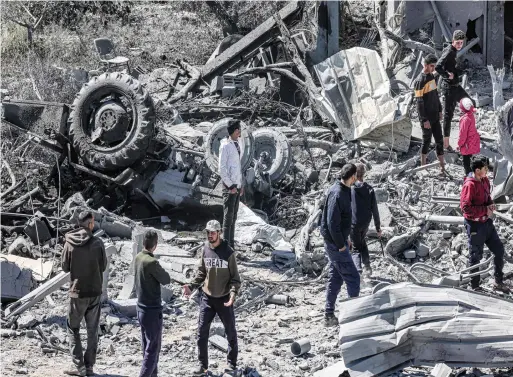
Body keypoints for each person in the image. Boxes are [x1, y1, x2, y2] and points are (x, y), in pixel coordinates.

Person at [183, 220, 241, 376]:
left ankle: (232, 364)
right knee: (202, 332)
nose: (210, 235)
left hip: (224, 299)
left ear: (219, 232)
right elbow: (202, 272)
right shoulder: (205, 249)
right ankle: (203, 366)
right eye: (208, 232)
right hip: (207, 297)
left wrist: (233, 296)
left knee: (230, 331)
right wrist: (191, 285)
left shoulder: (228, 252)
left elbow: (235, 279)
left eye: (213, 232)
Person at [62, 211, 106, 377]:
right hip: (94, 291)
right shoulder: (98, 243)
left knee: (73, 328)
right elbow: (103, 266)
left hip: (77, 292)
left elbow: (65, 267)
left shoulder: (69, 243)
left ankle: (79, 366)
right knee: (92, 330)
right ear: (90, 224)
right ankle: (89, 367)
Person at [460, 155, 509, 293]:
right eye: (485, 168)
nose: (487, 171)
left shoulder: (485, 180)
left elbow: (487, 197)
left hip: (487, 224)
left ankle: (498, 281)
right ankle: (475, 286)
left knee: (499, 250)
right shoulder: (469, 185)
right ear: (477, 170)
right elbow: (466, 208)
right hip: (475, 226)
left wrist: (490, 204)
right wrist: (484, 210)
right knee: (475, 257)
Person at [319, 163, 360, 327]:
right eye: (355, 176)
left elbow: (343, 221)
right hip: (335, 245)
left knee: (335, 278)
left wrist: (346, 239)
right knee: (354, 279)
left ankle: (329, 315)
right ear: (351, 177)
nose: (356, 179)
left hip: (339, 242)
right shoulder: (337, 194)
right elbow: (331, 223)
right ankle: (353, 318)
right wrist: (340, 245)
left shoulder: (344, 190)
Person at [134, 230, 171, 377]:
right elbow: (166, 279)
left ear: (143, 242)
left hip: (140, 308)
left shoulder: (138, 257)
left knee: (147, 347)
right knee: (153, 349)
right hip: (152, 311)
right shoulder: (152, 262)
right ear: (155, 245)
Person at [435, 29, 475, 150]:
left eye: (461, 43)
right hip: (448, 88)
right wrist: (447, 75)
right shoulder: (448, 51)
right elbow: (438, 66)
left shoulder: (453, 51)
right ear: (453, 41)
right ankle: (446, 143)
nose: (459, 45)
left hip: (456, 86)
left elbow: (450, 66)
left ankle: (467, 134)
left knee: (471, 104)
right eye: (457, 42)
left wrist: (458, 71)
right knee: (448, 115)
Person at [413, 53, 445, 171]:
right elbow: (419, 103)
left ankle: (442, 166)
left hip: (435, 115)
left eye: (434, 66)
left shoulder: (431, 76)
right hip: (427, 118)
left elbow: (436, 95)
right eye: (431, 66)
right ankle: (422, 166)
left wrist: (440, 110)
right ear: (425, 65)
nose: (433, 68)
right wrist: (424, 119)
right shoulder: (419, 81)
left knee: (439, 140)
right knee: (426, 140)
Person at [350, 163, 381, 277]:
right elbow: (375, 210)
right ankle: (367, 266)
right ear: (364, 174)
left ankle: (358, 273)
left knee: (356, 248)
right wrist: (378, 228)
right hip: (365, 223)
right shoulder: (369, 189)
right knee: (362, 242)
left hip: (354, 223)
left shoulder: (351, 189)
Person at [219, 119, 244, 248]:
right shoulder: (225, 146)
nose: (240, 131)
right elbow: (222, 168)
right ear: (234, 131)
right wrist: (230, 186)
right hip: (229, 188)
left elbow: (238, 166)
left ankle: (231, 246)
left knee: (233, 217)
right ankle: (225, 246)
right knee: (228, 218)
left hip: (237, 186)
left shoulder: (238, 143)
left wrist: (241, 185)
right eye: (238, 129)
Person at [457, 98, 480, 176]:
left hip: (467, 144)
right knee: (471, 160)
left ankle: (470, 178)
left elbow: (462, 135)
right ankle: (475, 176)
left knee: (466, 163)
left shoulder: (465, 119)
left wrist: (459, 144)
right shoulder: (471, 114)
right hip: (472, 141)